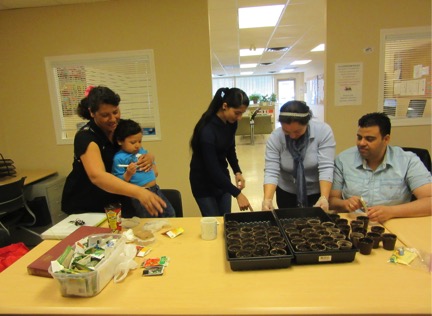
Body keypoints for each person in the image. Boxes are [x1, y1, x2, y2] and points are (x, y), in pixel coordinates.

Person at [61, 86, 166, 216]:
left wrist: (150, 157)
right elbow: (97, 176)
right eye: (105, 115)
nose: (112, 119)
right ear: (92, 113)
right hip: (87, 204)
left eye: (115, 112)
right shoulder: (86, 137)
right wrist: (139, 192)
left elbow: (136, 148)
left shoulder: (121, 127)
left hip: (116, 201)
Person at [329, 112, 432, 222]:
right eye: (359, 137)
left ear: (386, 139)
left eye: (369, 139)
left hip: (395, 222)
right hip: (355, 224)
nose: (362, 143)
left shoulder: (407, 161)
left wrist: (391, 211)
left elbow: (429, 201)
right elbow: (331, 200)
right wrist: (345, 204)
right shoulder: (343, 160)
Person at [189, 87, 253, 216]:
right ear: (225, 106)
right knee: (214, 224)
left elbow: (230, 149)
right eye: (237, 113)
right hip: (203, 183)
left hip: (221, 180)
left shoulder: (231, 122)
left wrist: (237, 171)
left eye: (242, 113)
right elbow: (212, 169)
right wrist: (237, 194)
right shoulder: (207, 131)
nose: (240, 117)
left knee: (225, 220)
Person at [262, 100, 336, 212]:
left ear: (307, 123)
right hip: (287, 191)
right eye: (286, 131)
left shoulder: (323, 132)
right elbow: (271, 170)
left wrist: (324, 197)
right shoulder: (276, 137)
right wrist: (267, 200)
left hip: (317, 191)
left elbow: (326, 167)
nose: (292, 136)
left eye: (297, 131)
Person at [111, 119, 175, 218]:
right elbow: (118, 181)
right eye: (132, 142)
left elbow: (150, 161)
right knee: (149, 219)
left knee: (169, 213)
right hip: (140, 194)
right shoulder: (119, 158)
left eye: (140, 141)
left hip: (155, 189)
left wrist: (153, 164)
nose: (137, 145)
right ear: (120, 141)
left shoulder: (141, 150)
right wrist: (128, 174)